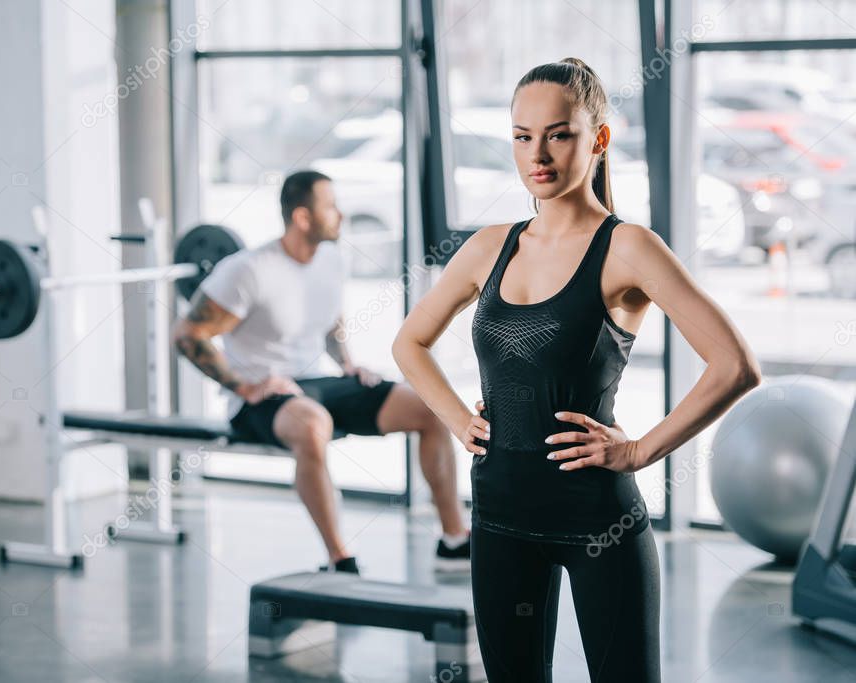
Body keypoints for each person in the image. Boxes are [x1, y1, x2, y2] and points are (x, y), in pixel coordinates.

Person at [392, 58, 762, 681]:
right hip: (500, 514)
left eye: (558, 134)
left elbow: (735, 366)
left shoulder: (628, 247)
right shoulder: (490, 246)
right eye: (521, 135)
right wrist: (459, 420)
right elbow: (410, 343)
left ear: (598, 139)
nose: (537, 153)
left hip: (598, 520)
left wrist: (639, 451)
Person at [173, 170, 472, 574]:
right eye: (330, 207)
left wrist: (346, 363)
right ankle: (339, 559)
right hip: (265, 398)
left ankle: (454, 541)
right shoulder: (248, 270)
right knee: (314, 424)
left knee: (429, 408)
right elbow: (188, 335)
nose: (341, 216)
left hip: (317, 382)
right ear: (302, 217)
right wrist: (244, 386)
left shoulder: (330, 259)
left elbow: (330, 323)